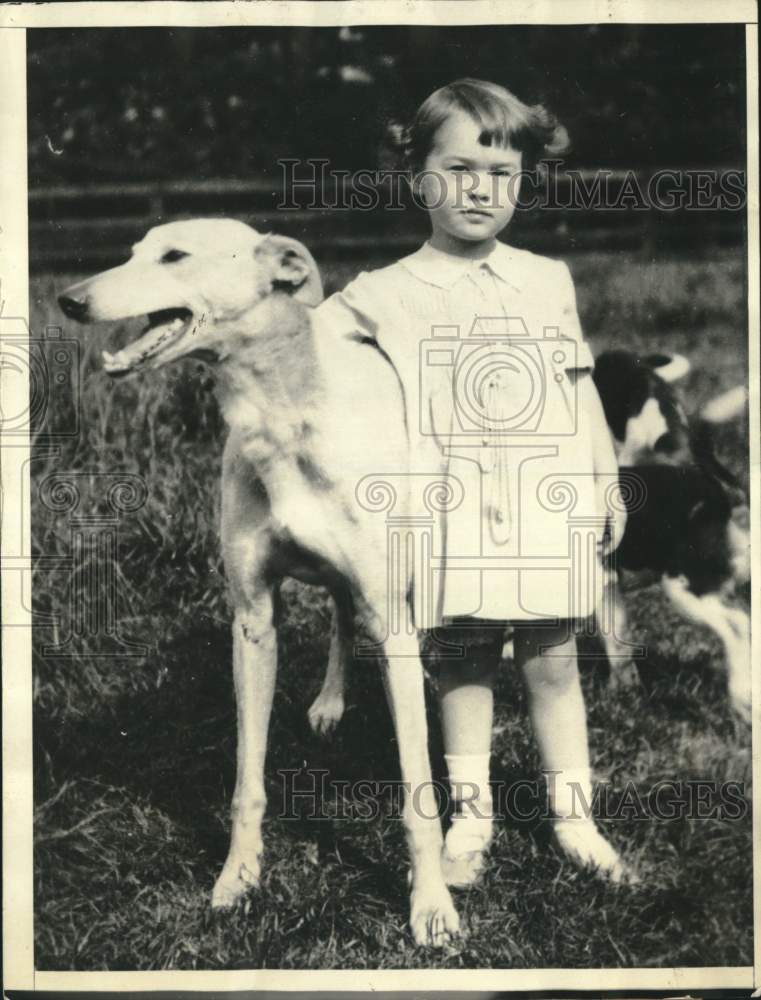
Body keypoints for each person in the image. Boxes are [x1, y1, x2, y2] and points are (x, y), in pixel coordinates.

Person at [315, 78, 631, 887]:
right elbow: (295, 345)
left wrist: (604, 481)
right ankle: (470, 815)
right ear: (415, 172)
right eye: (456, 168)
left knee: (554, 658)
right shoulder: (377, 295)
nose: (479, 191)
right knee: (461, 660)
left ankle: (573, 819)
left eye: (502, 174)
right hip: (447, 505)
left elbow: (577, 384)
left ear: (524, 181)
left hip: (543, 498)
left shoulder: (544, 277)